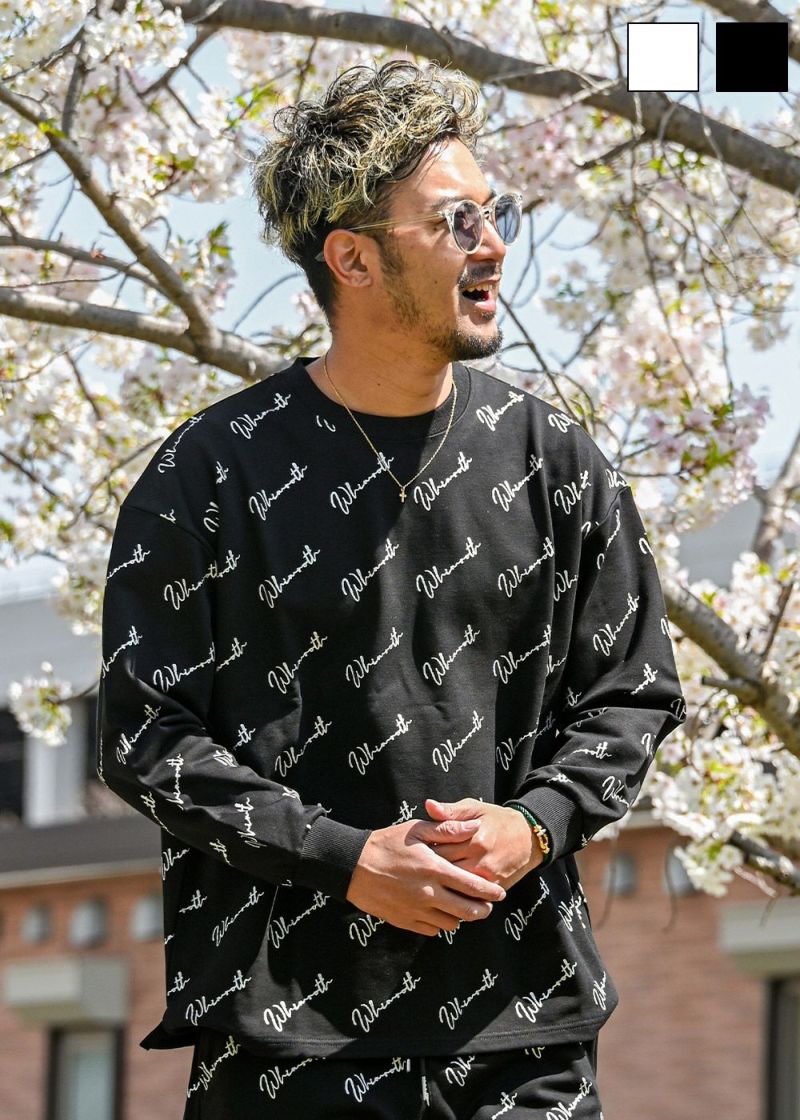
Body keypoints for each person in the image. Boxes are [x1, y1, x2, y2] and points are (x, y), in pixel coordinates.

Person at [97, 59, 687, 1119]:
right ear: (353, 258)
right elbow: (148, 736)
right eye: (457, 220)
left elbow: (632, 692)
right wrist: (344, 859)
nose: (493, 242)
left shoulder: (555, 460)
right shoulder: (207, 474)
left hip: (522, 1033)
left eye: (495, 212)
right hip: (283, 1035)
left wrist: (534, 825)